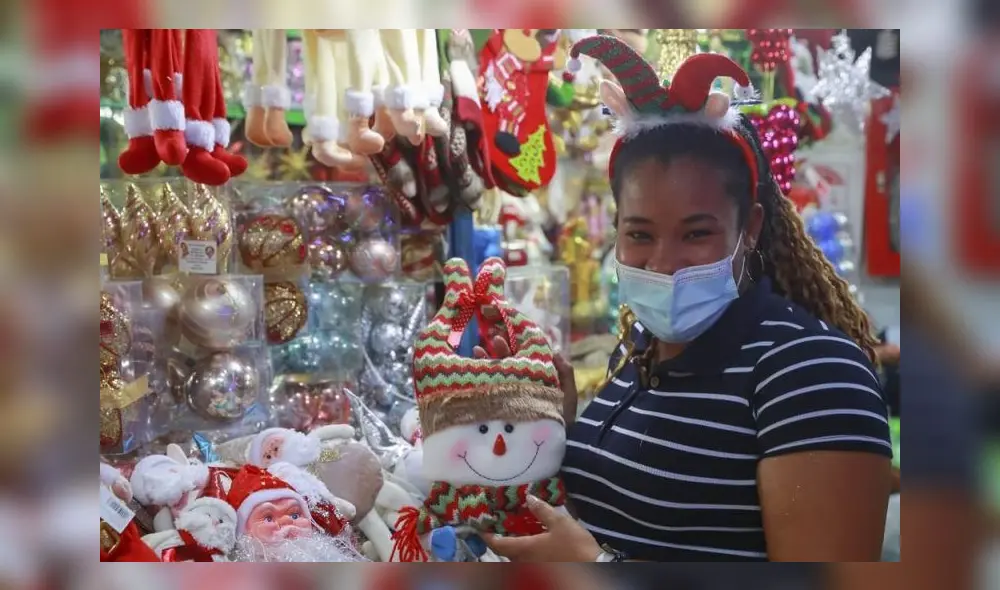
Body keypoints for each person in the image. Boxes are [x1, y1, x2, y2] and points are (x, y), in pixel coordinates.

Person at [479, 38, 892, 562]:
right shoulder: (644, 354)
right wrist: (553, 424)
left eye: (696, 234)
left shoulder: (813, 374)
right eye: (640, 234)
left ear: (749, 229)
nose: (664, 263)